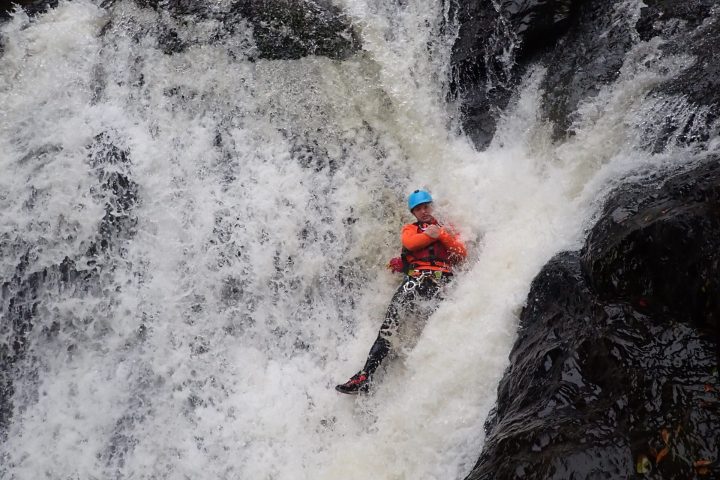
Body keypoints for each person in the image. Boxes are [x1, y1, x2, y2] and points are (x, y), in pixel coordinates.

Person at [336, 189, 467, 394]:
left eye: (427, 206)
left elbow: (460, 253)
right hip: (416, 280)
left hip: (441, 282)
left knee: (435, 328)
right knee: (389, 326)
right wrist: (429, 234)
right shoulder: (410, 229)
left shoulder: (446, 229)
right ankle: (365, 376)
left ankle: (428, 384)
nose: (424, 211)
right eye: (419, 209)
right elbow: (410, 243)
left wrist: (440, 234)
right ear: (414, 212)